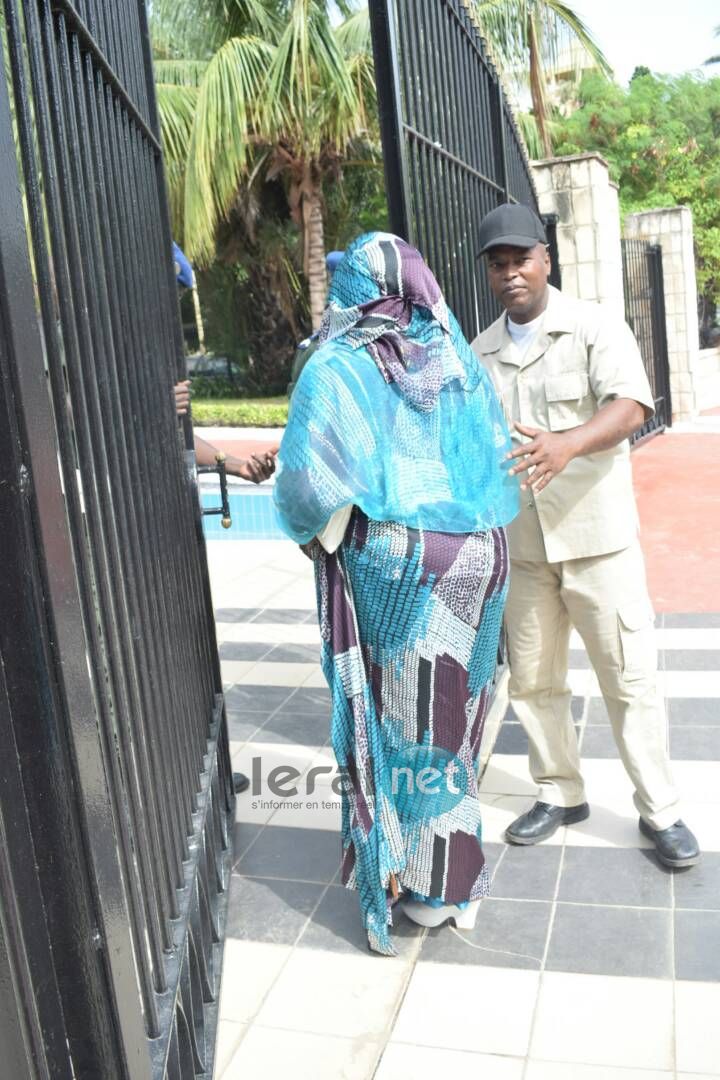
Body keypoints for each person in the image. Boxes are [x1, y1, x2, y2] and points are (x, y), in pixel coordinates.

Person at [273, 232, 519, 954]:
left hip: (400, 570)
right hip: (480, 560)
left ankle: (421, 879)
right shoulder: (455, 359)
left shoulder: (338, 367)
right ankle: (446, 862)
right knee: (453, 720)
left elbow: (307, 489)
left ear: (351, 289)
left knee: (403, 721)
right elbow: (491, 464)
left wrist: (318, 532)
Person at [471, 202, 700, 868]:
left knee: (629, 681)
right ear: (490, 274)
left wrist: (568, 445)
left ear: (545, 259)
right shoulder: (480, 352)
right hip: (524, 546)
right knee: (536, 683)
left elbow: (633, 404)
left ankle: (660, 810)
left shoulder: (593, 328)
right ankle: (559, 791)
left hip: (598, 541)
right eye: (499, 264)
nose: (512, 273)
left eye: (521, 259)